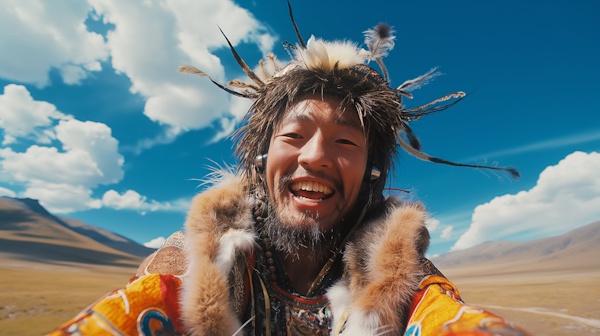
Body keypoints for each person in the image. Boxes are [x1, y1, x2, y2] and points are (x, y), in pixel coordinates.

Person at [48, 7, 530, 336]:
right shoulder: (187, 264)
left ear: (371, 173)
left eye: (345, 142)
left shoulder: (406, 280)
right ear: (262, 158)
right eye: (294, 136)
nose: (316, 157)